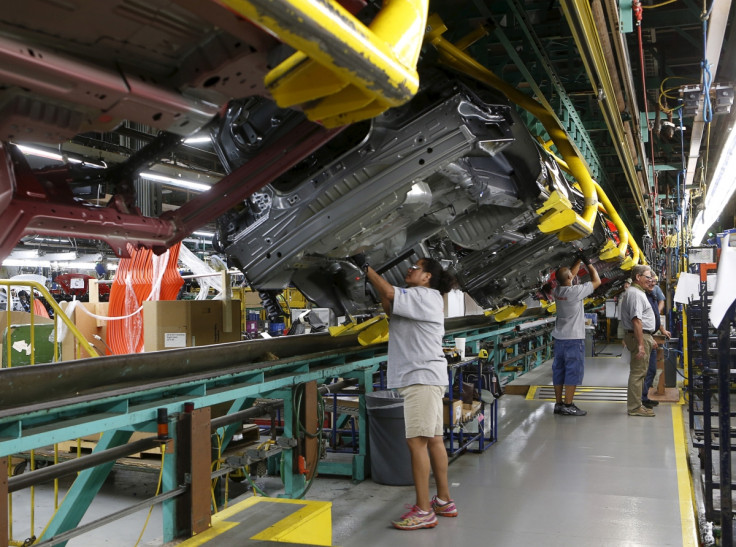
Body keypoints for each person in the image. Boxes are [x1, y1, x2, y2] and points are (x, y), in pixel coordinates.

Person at [364, 257, 458, 530]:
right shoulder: (421, 298)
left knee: (416, 442)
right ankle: (443, 500)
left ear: (427, 277)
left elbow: (391, 293)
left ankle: (424, 511)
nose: (410, 269)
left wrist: (367, 269)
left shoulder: (423, 295)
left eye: (416, 267)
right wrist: (379, 289)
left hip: (421, 378)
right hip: (427, 377)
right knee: (434, 440)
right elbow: (390, 305)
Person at [551, 255, 601, 416]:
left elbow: (568, 275)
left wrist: (578, 260)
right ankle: (568, 405)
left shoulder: (557, 291)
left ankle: (558, 404)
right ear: (570, 278)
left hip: (559, 339)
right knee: (573, 372)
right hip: (573, 339)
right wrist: (588, 263)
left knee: (559, 371)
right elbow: (597, 281)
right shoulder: (575, 292)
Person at [620, 265, 657, 417]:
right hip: (638, 336)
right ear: (638, 277)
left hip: (643, 335)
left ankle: (637, 405)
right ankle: (634, 408)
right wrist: (641, 344)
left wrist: (650, 338)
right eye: (648, 277)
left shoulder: (638, 292)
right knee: (638, 373)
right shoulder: (635, 294)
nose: (651, 281)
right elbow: (636, 321)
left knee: (641, 372)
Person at [641, 274, 670, 407]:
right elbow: (637, 320)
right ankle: (639, 399)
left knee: (651, 370)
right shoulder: (641, 295)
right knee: (642, 371)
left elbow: (655, 316)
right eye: (650, 281)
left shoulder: (654, 293)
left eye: (654, 282)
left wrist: (662, 330)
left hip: (650, 335)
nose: (652, 284)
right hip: (644, 336)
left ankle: (644, 397)